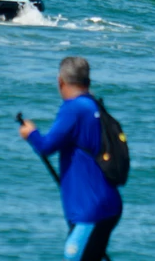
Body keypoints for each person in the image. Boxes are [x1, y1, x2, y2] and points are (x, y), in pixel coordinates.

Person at [19, 57, 122, 261]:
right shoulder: (94, 106)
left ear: (61, 81)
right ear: (87, 81)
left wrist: (30, 133)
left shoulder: (73, 109)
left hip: (91, 210)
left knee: (73, 256)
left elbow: (46, 146)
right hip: (105, 204)